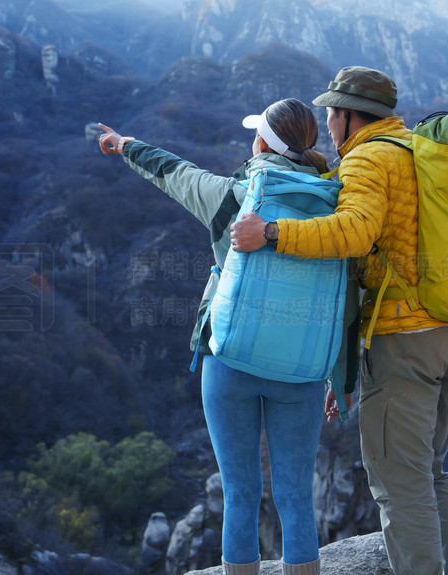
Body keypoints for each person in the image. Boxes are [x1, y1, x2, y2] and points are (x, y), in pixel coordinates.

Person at [230, 67, 448, 575]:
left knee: (399, 484)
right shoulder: (416, 148)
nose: (327, 121)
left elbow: (352, 233)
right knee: (430, 474)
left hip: (405, 343)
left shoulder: (370, 157)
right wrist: (346, 369)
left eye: (331, 111)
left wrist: (273, 234)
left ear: (350, 116)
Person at [97, 98, 332, 575]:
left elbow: (173, 171)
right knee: (294, 496)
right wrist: (343, 372)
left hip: (231, 359)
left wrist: (124, 145)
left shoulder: (231, 195)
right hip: (303, 370)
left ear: (263, 142)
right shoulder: (335, 201)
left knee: (240, 492)